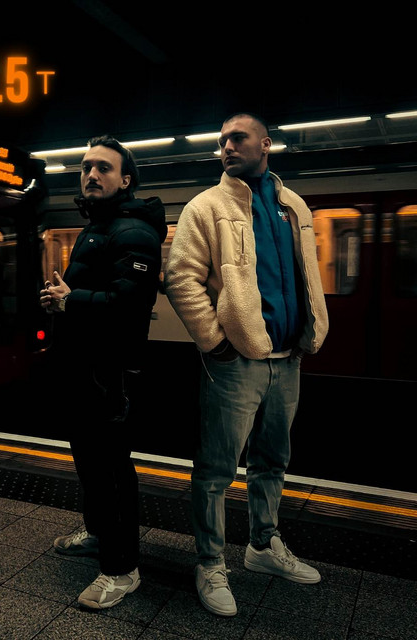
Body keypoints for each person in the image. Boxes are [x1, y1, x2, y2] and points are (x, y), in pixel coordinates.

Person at [164, 113, 329, 617]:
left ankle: (262, 546)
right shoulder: (206, 206)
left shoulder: (292, 205)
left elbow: (304, 274)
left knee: (272, 461)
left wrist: (308, 332)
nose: (228, 147)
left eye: (238, 138)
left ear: (266, 144)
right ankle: (211, 563)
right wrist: (214, 343)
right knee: (217, 469)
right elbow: (181, 277)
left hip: (288, 357)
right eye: (222, 141)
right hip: (235, 363)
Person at [39, 135, 167, 609]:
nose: (91, 174)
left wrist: (72, 300)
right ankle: (98, 535)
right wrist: (63, 302)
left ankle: (122, 568)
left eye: (104, 168)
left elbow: (131, 303)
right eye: (86, 167)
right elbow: (93, 297)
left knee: (110, 469)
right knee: (89, 463)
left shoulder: (133, 231)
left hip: (108, 371)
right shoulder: (99, 226)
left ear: (125, 180)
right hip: (83, 368)